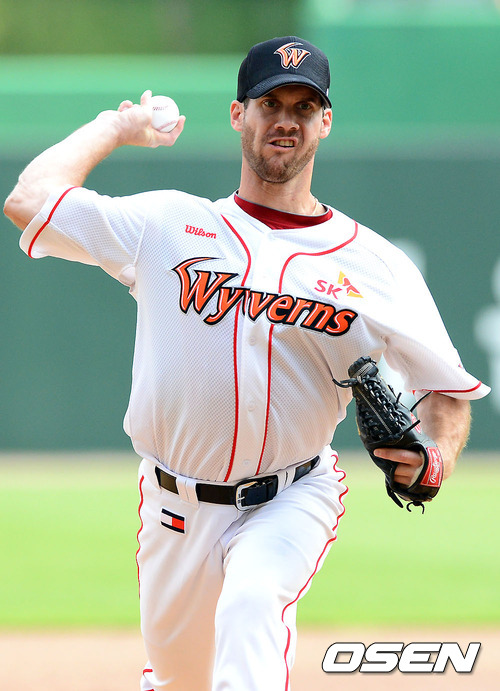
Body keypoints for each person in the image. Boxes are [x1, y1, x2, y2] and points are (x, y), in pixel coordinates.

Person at [4, 36, 489, 691]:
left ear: (325, 121)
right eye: (270, 103)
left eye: (304, 105)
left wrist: (436, 455)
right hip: (173, 506)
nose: (286, 119)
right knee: (179, 679)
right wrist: (114, 128)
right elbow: (29, 201)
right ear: (239, 114)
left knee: (252, 603)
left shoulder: (375, 265)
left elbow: (445, 390)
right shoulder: (167, 226)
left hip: (291, 495)